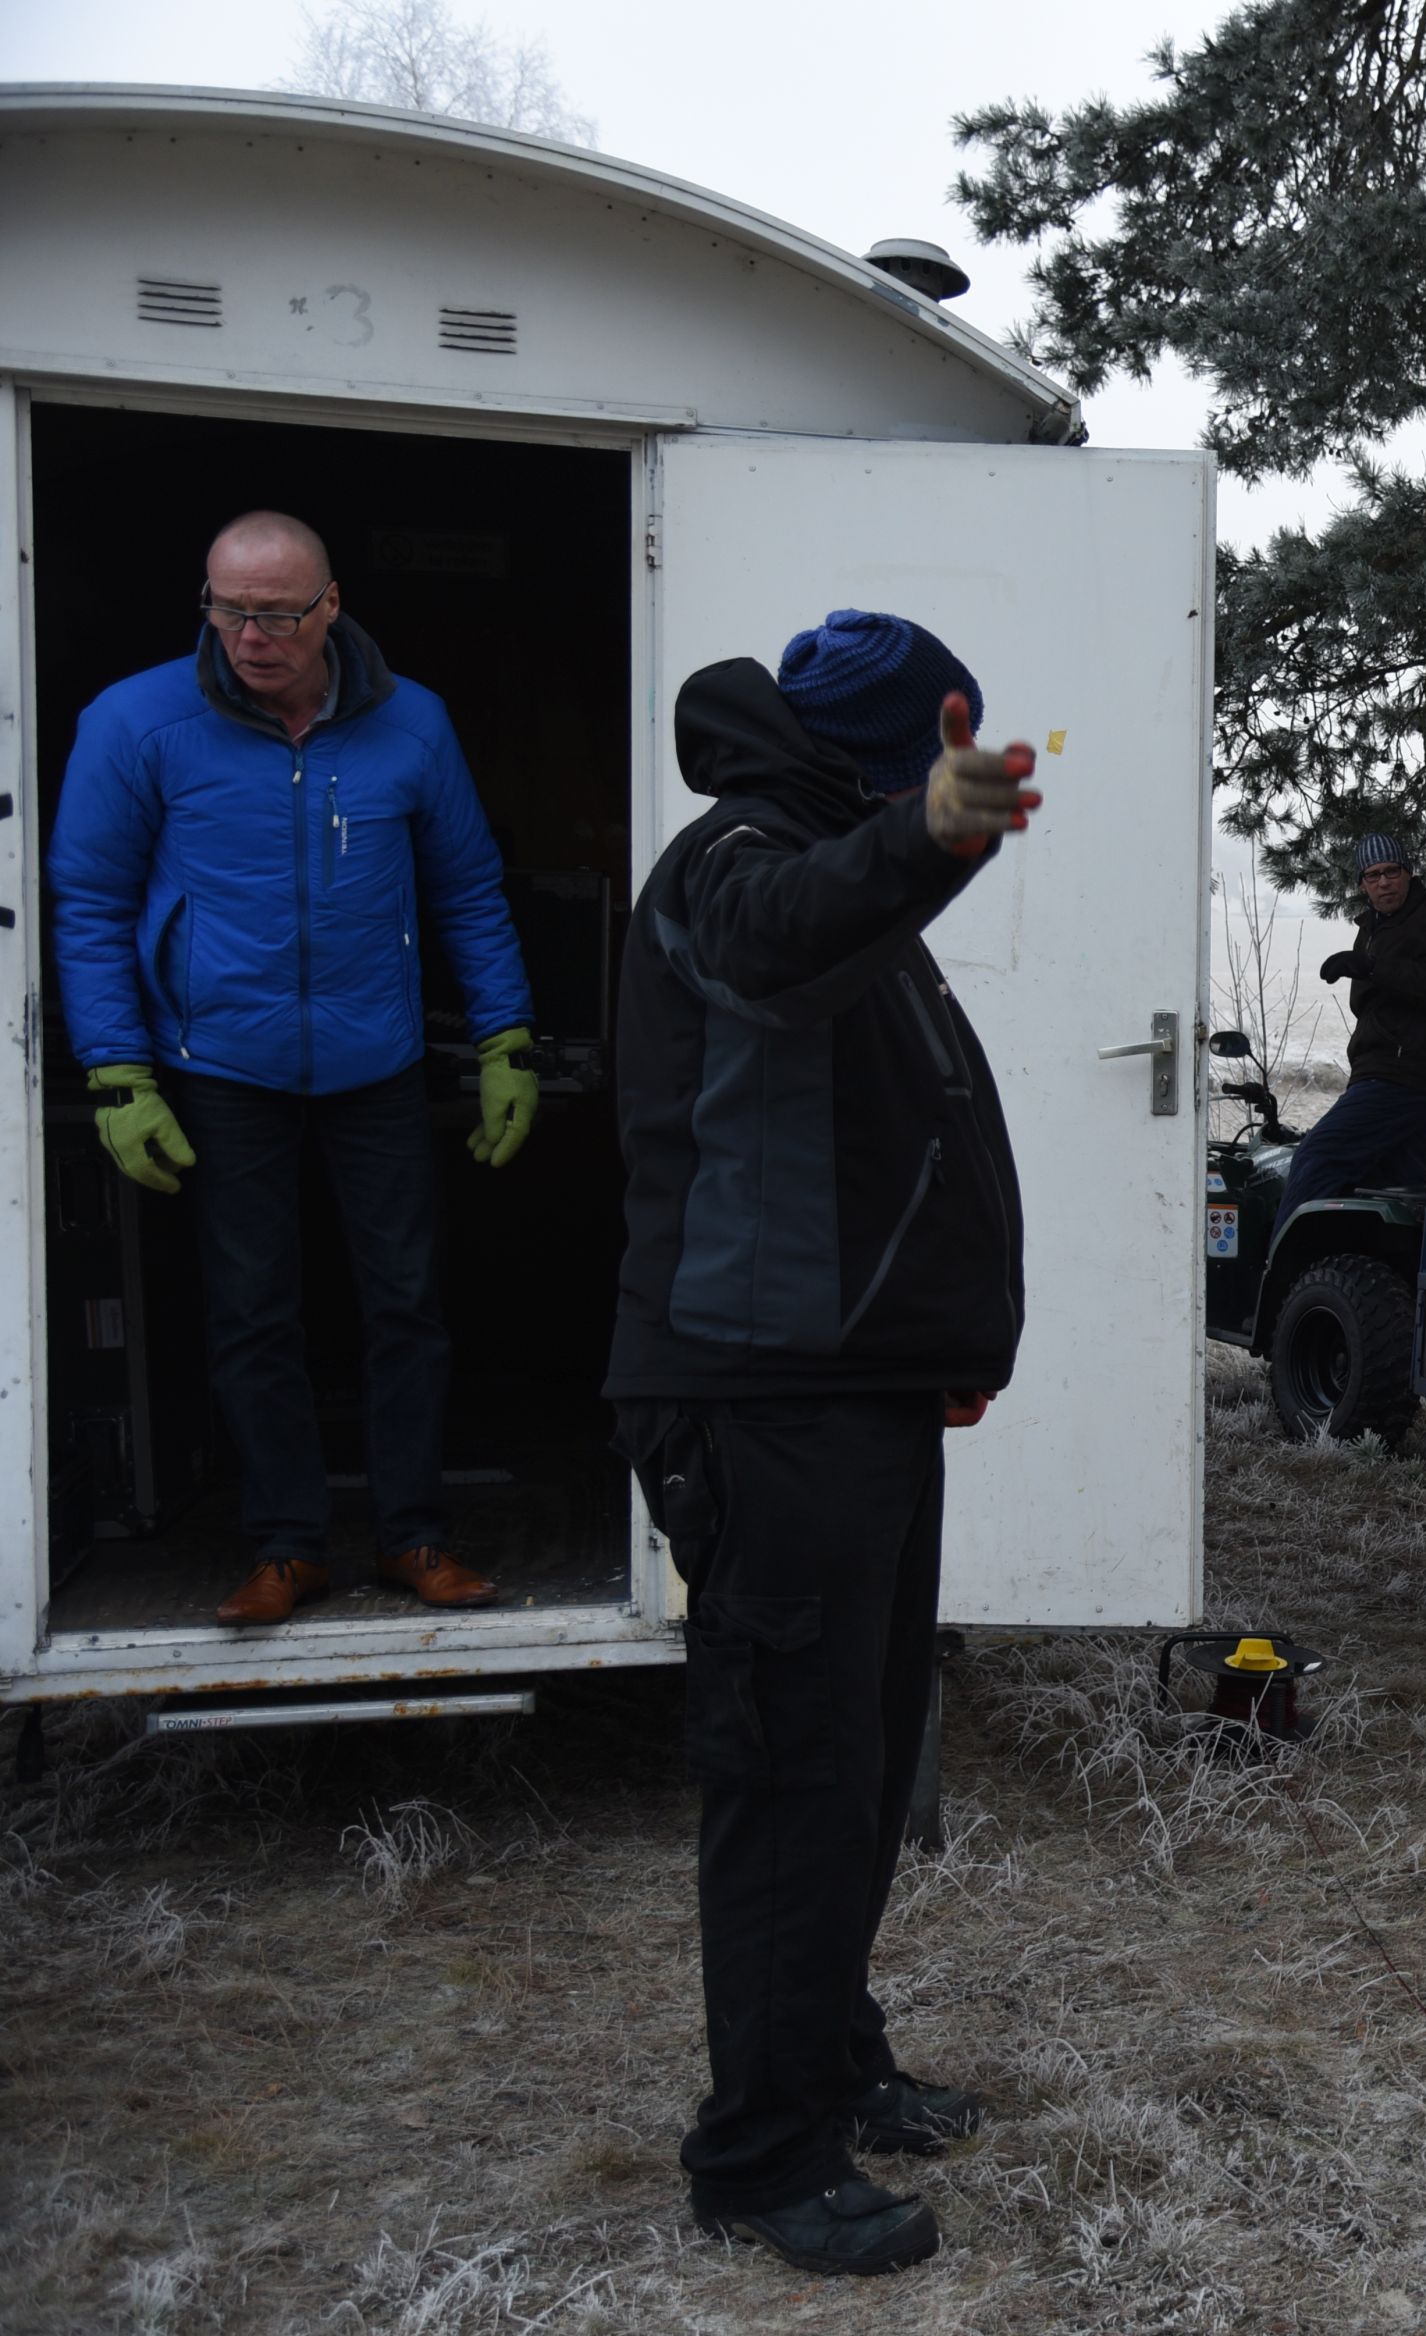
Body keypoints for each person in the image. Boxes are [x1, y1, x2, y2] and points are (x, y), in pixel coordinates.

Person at [605, 610, 1036, 2277]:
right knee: (793, 1781)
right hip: (759, 1403)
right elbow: (784, 936)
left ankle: (833, 2062)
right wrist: (925, 835)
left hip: (848, 1397)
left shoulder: (826, 863)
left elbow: (868, 1140)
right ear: (891, 751)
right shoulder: (736, 864)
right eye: (934, 753)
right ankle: (761, 2157)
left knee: (855, 1762)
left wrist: (935, 1349)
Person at [48, 509, 539, 1627]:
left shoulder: (412, 722)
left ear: (330, 607)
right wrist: (119, 1070)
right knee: (250, 1310)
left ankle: (414, 1535)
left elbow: (469, 889)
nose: (249, 637)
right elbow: (89, 901)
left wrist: (507, 1035)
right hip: (220, 1058)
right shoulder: (136, 721)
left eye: (275, 613)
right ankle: (286, 1546)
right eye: (227, 610)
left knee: (406, 1303)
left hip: (377, 1055)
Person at [1280, 832, 1426, 1228]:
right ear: (1362, 884)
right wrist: (1369, 970)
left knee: (1317, 1157)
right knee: (1399, 1193)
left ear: (1408, 873)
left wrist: (1372, 968)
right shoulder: (1372, 927)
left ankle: (1282, 1262)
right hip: (1378, 1072)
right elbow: (1368, 1004)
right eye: (1373, 875)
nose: (1384, 883)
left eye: (1391, 872)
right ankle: (1384, 1268)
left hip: (1404, 1075)